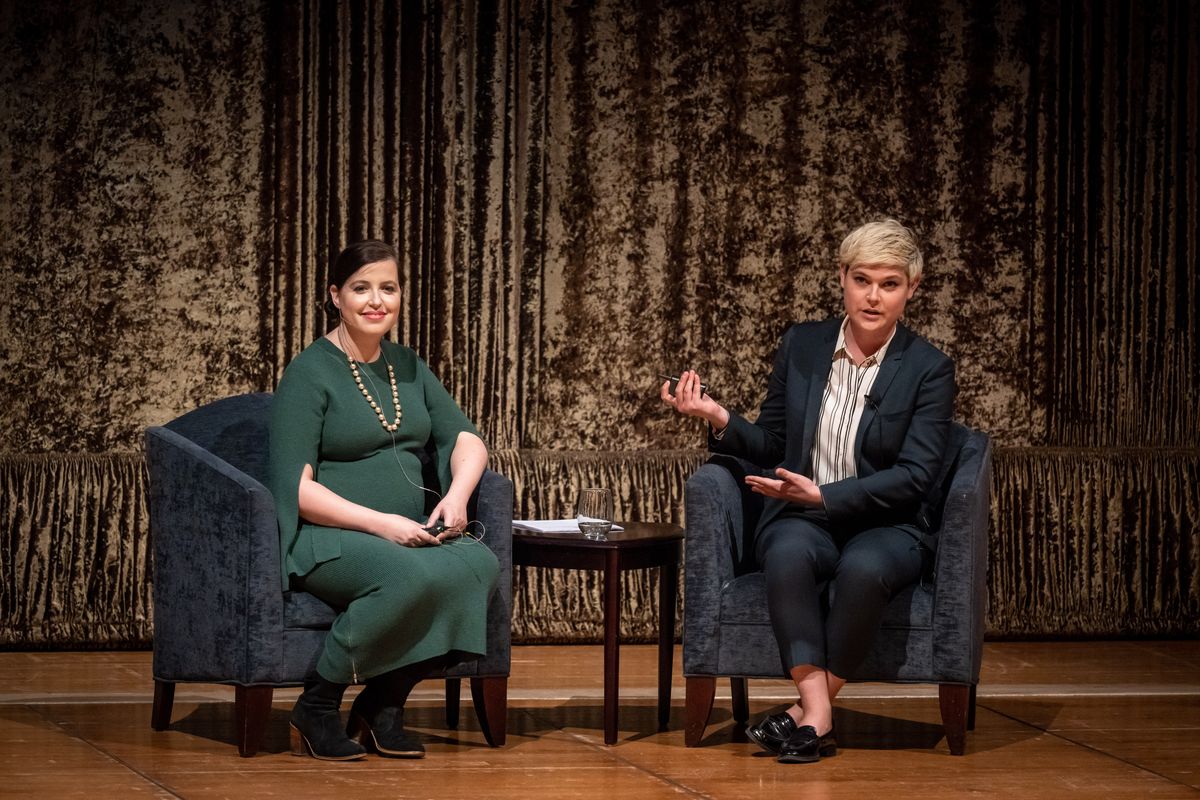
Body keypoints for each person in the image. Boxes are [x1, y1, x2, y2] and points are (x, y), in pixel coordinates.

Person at [661, 218, 955, 764]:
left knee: (864, 569)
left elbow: (916, 475)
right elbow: (774, 440)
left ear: (911, 289)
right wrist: (719, 415)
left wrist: (827, 496)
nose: (873, 296)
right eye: (862, 279)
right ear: (842, 278)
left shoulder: (929, 369)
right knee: (788, 551)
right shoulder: (802, 344)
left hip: (888, 523)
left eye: (889, 284)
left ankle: (806, 715)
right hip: (802, 519)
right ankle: (818, 714)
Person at [269, 240, 499, 761]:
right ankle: (317, 706)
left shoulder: (407, 365)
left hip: (405, 531)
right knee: (407, 576)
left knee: (479, 565)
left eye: (388, 289)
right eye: (361, 288)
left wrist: (458, 497)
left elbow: (467, 440)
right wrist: (381, 525)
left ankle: (383, 705)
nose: (377, 301)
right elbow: (297, 487)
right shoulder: (309, 373)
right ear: (335, 296)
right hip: (328, 539)